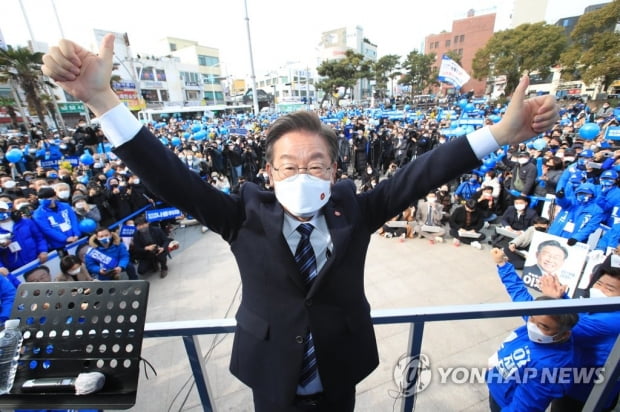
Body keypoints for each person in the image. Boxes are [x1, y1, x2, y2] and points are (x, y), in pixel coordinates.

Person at [42, 34, 558, 411]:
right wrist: (100, 99)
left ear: (334, 171)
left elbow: (423, 173)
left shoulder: (354, 209)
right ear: (269, 172)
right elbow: (171, 176)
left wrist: (497, 133)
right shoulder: (241, 215)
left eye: (316, 165)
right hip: (269, 372)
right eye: (289, 166)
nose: (303, 175)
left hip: (341, 367)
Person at [488, 248, 579, 412]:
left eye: (543, 326)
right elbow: (520, 294)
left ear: (564, 334)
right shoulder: (541, 319)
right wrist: (503, 264)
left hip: (505, 402)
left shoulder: (549, 367)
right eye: (531, 318)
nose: (533, 326)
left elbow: (524, 408)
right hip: (499, 386)